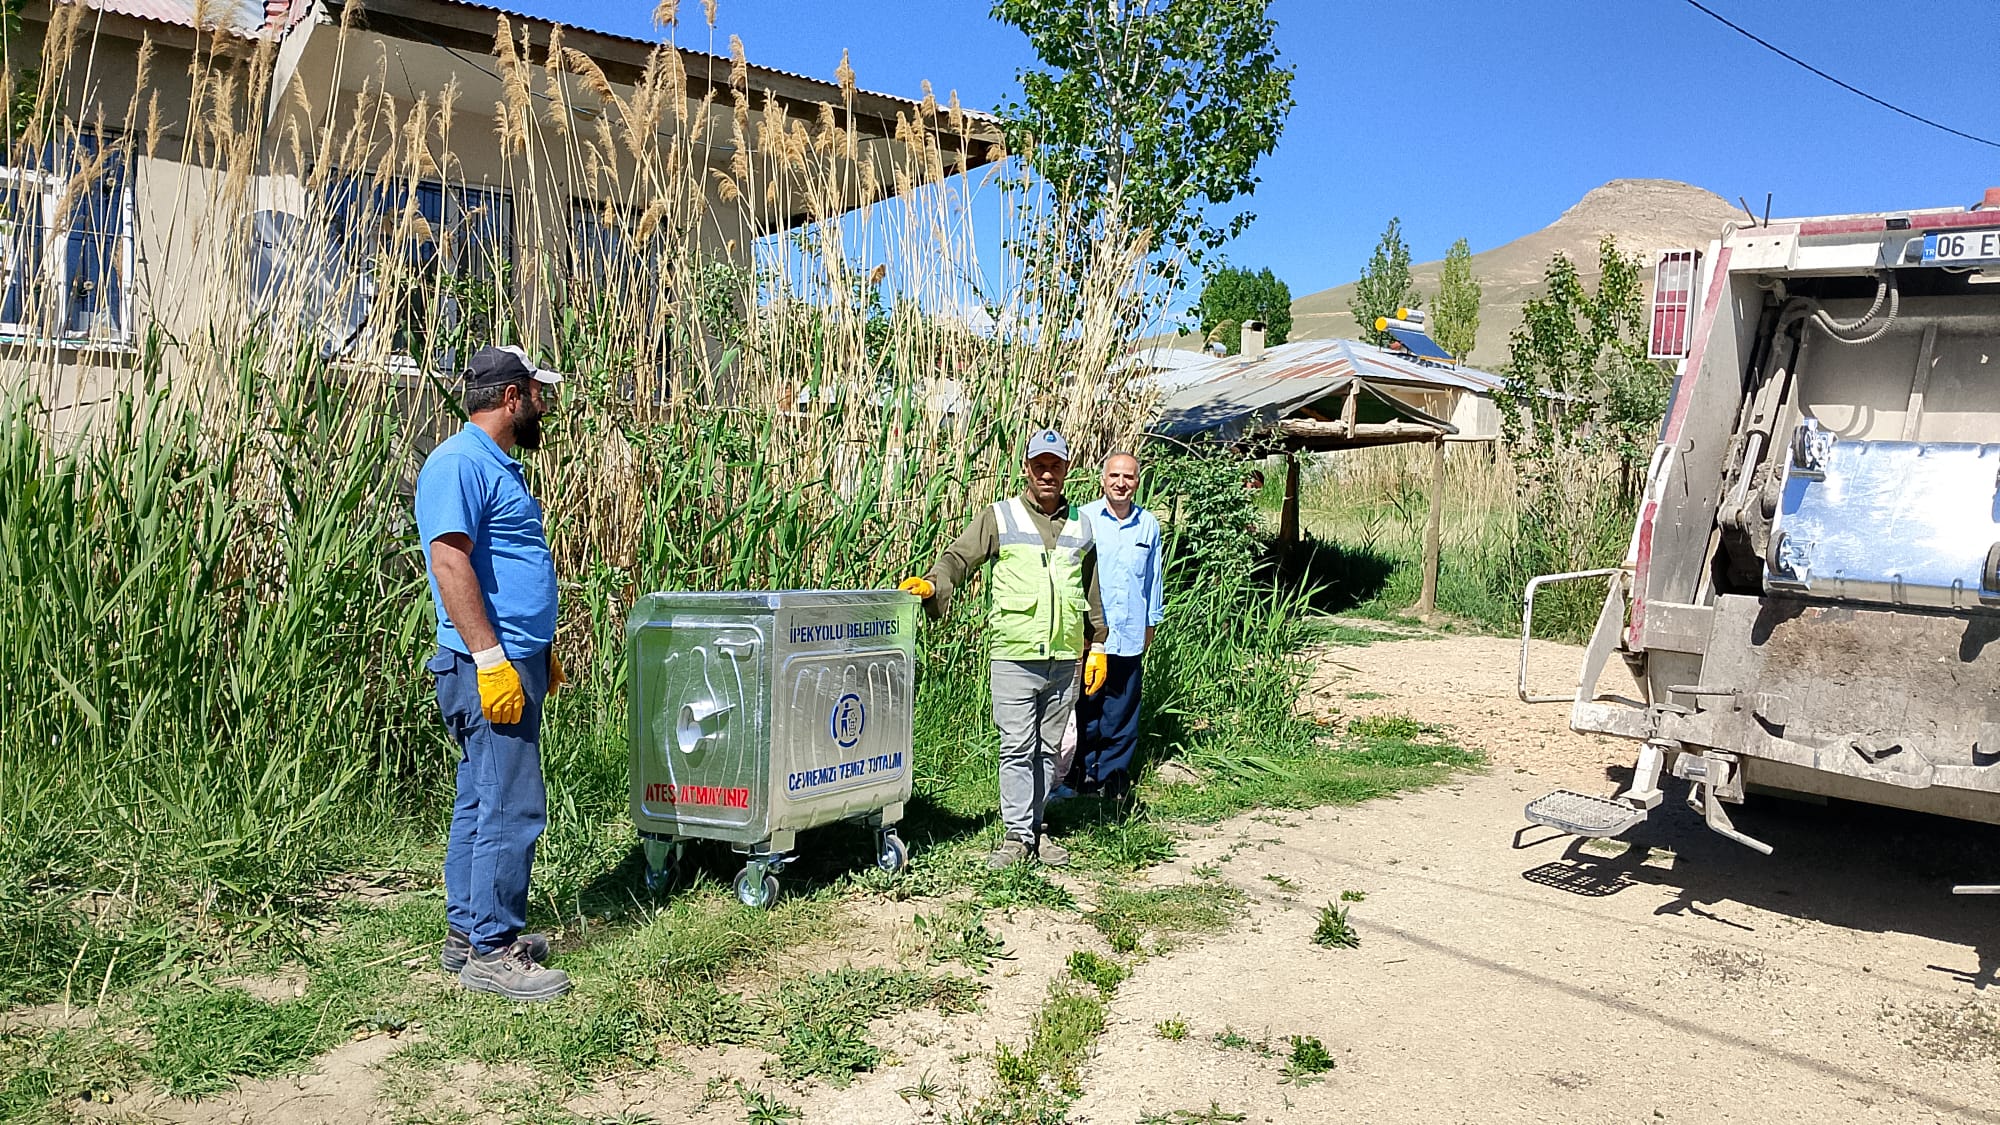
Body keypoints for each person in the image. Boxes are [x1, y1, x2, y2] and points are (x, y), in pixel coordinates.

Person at [416, 344, 572, 1002]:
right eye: (537, 392)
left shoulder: (493, 464)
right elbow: (450, 563)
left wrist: (536, 647)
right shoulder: (458, 462)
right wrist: (490, 658)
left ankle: (468, 932)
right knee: (512, 803)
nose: (545, 404)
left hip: (513, 657)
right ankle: (493, 950)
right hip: (487, 665)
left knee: (483, 798)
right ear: (512, 397)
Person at [899, 429, 1109, 869]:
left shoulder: (1082, 524)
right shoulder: (1001, 516)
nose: (1047, 473)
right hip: (1015, 654)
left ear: (1067, 469)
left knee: (1048, 750)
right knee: (1016, 747)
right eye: (1040, 465)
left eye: (1055, 465)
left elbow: (1091, 587)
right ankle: (1017, 837)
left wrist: (1098, 645)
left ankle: (1037, 828)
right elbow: (958, 559)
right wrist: (934, 585)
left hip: (1064, 657)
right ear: (1026, 469)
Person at [1064, 451, 1163, 804]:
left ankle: (1113, 779)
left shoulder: (1148, 524)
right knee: (1085, 708)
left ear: (1137, 482)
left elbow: (1153, 579)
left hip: (1131, 631)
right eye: (1115, 476)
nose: (1121, 483)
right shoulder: (1083, 519)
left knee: (1121, 711)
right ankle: (1079, 775)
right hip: (1091, 636)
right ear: (1103, 479)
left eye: (1129, 477)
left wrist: (1151, 622)